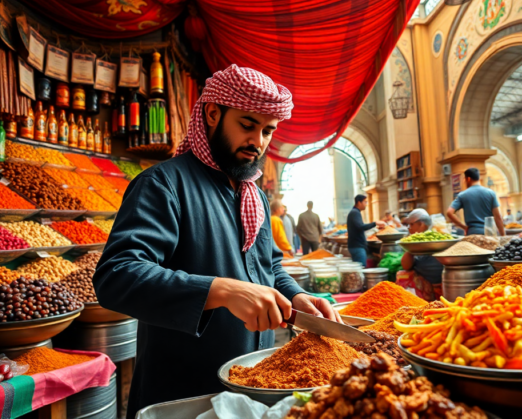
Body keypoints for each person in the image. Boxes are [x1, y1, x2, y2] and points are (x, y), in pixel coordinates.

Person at [93, 65, 341, 418]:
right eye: (247, 125)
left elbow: (267, 267)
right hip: (183, 393)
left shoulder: (254, 195)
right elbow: (117, 276)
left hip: (253, 386)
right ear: (212, 113)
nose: (258, 141)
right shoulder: (163, 184)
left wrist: (297, 297)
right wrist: (222, 290)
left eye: (268, 131)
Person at [398, 209, 444, 300]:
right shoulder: (414, 239)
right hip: (424, 278)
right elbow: (406, 265)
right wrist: (411, 246)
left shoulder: (437, 237)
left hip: (438, 279)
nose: (409, 228)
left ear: (421, 224)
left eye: (411, 224)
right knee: (402, 274)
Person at [446, 168, 506, 236]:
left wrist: (463, 227)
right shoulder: (491, 193)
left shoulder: (462, 195)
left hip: (473, 233)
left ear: (468, 179)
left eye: (464, 180)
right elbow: (498, 217)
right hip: (489, 233)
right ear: (479, 178)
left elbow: (449, 212)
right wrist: (503, 235)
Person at [347, 194, 386, 265]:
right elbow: (361, 227)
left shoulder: (355, 212)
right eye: (365, 202)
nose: (366, 204)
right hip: (357, 247)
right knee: (361, 269)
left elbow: (359, 228)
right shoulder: (355, 213)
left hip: (357, 246)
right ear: (359, 202)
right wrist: (375, 223)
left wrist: (376, 227)